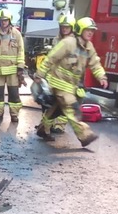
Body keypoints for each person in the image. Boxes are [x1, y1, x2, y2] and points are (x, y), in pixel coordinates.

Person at [34, 16, 105, 149]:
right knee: (71, 109)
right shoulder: (68, 43)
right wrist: (40, 74)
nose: (91, 33)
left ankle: (43, 129)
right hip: (58, 83)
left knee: (54, 109)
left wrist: (102, 76)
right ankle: (85, 136)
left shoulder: (89, 47)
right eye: (88, 30)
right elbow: (51, 58)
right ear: (80, 30)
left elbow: (95, 63)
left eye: (92, 31)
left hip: (71, 86)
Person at [0, 10, 26, 123]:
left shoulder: (16, 34)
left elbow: (21, 51)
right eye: (2, 20)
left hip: (13, 70)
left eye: (6, 20)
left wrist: (20, 67)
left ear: (9, 21)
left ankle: (14, 115)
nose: (4, 22)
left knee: (14, 94)